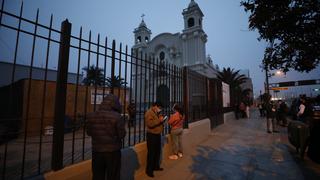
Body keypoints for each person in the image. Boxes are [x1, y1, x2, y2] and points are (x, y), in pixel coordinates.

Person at [86, 94, 126, 180]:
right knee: (113, 175)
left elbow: (89, 132)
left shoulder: (91, 115)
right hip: (113, 151)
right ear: (115, 103)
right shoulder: (117, 117)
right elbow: (122, 135)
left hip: (97, 151)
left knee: (97, 175)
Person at [144, 102, 165, 178]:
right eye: (159, 107)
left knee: (157, 151)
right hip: (151, 135)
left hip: (157, 134)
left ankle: (156, 166)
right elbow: (150, 124)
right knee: (151, 153)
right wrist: (160, 121)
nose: (160, 109)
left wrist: (162, 120)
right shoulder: (149, 112)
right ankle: (149, 170)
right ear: (155, 106)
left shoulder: (157, 112)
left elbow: (159, 121)